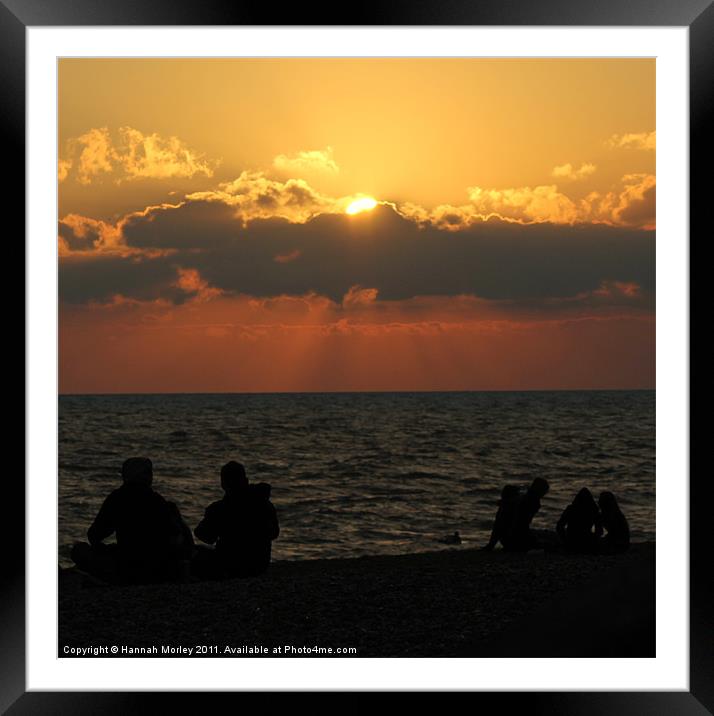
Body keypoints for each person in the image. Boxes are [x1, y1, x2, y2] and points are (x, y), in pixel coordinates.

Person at [70, 457, 194, 584]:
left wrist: (103, 549)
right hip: (160, 568)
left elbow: (95, 534)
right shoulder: (159, 501)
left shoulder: (117, 498)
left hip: (127, 567)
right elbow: (178, 539)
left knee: (79, 550)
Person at [193, 461, 280, 579]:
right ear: (246, 480)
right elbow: (275, 533)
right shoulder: (264, 503)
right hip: (260, 564)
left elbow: (205, 536)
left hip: (231, 565)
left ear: (223, 484)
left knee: (197, 554)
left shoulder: (220, 508)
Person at [501, 477, 551, 552]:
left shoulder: (522, 498)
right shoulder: (532, 502)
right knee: (549, 541)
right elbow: (521, 524)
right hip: (515, 539)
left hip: (506, 537)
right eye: (544, 491)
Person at [556, 487, 603, 553]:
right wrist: (594, 540)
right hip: (587, 540)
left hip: (571, 539)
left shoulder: (571, 509)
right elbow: (599, 531)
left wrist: (565, 540)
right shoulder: (594, 510)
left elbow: (559, 526)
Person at [482, 484, 520, 550]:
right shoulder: (511, 506)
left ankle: (491, 545)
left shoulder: (509, 507)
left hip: (512, 539)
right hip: (513, 539)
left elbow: (498, 528)